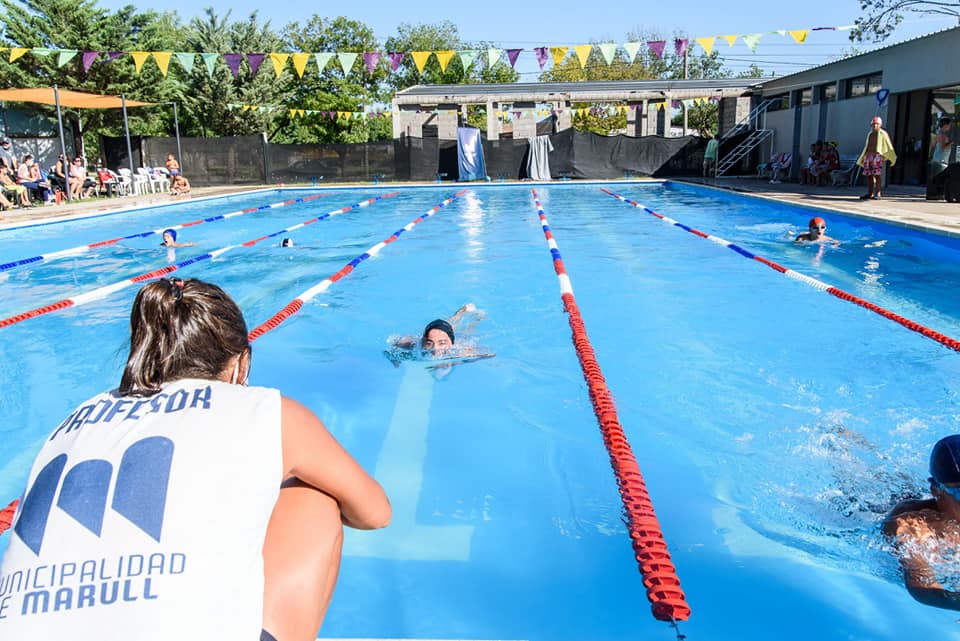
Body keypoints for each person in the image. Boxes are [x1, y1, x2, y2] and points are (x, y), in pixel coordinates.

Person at [0, 278, 391, 640]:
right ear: (241, 364)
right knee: (315, 493)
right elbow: (375, 512)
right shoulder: (265, 409)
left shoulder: (75, 420)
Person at [884, 435, 960, 610]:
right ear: (936, 491)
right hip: (869, 512)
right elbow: (923, 588)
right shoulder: (911, 527)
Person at [857, 116, 897, 200]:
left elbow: (888, 145)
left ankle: (878, 193)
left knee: (877, 175)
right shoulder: (870, 134)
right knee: (869, 175)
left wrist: (884, 155)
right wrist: (864, 156)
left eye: (877, 124)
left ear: (880, 125)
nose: (875, 126)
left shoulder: (883, 134)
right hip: (869, 156)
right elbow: (867, 146)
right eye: (873, 124)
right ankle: (870, 193)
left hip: (877, 156)